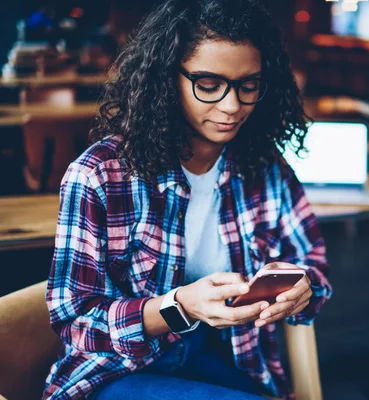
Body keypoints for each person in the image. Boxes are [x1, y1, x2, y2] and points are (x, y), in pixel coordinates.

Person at [43, 0, 332, 399]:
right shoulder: (99, 174)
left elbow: (312, 262)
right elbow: (75, 320)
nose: (232, 106)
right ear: (167, 80)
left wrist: (304, 287)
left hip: (228, 356)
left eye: (248, 86)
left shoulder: (265, 168)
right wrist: (179, 306)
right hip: (120, 368)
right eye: (209, 85)